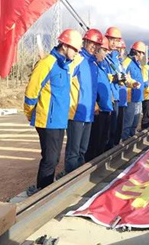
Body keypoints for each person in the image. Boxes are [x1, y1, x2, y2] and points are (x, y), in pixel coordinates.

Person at [24, 29, 81, 190]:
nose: (76, 53)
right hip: (47, 120)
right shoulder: (47, 63)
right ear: (65, 46)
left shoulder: (66, 66)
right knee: (49, 159)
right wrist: (30, 112)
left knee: (54, 159)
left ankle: (47, 189)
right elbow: (31, 92)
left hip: (59, 121)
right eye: (75, 49)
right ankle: (42, 192)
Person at [65, 29, 101, 174]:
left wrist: (95, 105)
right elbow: (64, 76)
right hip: (75, 112)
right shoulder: (77, 60)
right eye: (91, 43)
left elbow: (91, 89)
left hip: (88, 113)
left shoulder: (94, 64)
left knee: (82, 149)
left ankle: (78, 176)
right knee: (73, 151)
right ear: (85, 42)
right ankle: (70, 177)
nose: (94, 47)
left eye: (96, 45)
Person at [87, 36, 115, 159]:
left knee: (103, 139)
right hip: (98, 110)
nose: (105, 55)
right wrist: (95, 104)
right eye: (104, 51)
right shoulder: (91, 67)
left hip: (105, 108)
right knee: (95, 141)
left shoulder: (101, 68)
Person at [120, 41, 149, 140]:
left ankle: (132, 139)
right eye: (142, 53)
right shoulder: (127, 62)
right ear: (137, 52)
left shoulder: (138, 64)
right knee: (128, 122)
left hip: (138, 97)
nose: (143, 55)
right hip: (130, 97)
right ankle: (125, 140)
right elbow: (123, 76)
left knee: (135, 122)